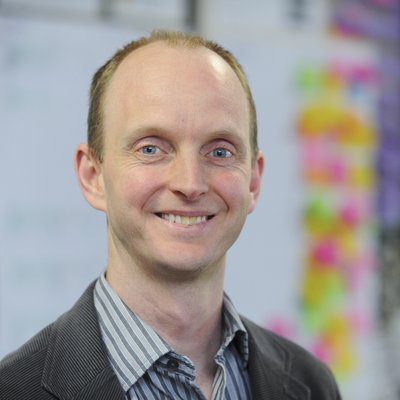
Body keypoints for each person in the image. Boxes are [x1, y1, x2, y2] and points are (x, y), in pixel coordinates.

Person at [0, 30, 341, 400]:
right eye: (151, 149)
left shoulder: (312, 384)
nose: (190, 184)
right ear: (93, 176)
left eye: (220, 152)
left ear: (253, 182)